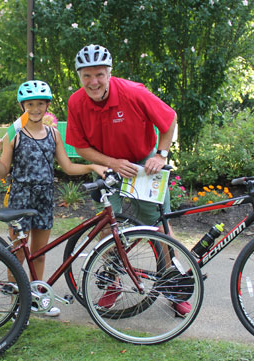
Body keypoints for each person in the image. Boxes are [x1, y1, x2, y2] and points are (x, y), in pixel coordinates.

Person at [65, 44, 188, 315]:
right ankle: (113, 281)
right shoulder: (76, 102)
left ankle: (172, 285)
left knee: (158, 226)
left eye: (99, 74)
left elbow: (169, 120)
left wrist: (161, 155)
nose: (93, 82)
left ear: (109, 73)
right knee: (109, 227)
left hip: (145, 166)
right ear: (79, 76)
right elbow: (81, 148)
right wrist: (112, 164)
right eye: (86, 76)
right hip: (110, 165)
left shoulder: (133, 92)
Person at [0, 80, 107, 317]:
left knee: (39, 253)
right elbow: (3, 173)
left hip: (44, 197)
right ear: (23, 106)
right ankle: (16, 303)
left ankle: (36, 297)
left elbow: (68, 166)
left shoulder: (53, 133)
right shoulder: (15, 134)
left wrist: (93, 165)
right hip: (20, 199)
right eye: (30, 104)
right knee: (18, 253)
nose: (35, 109)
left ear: (47, 106)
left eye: (40, 104)